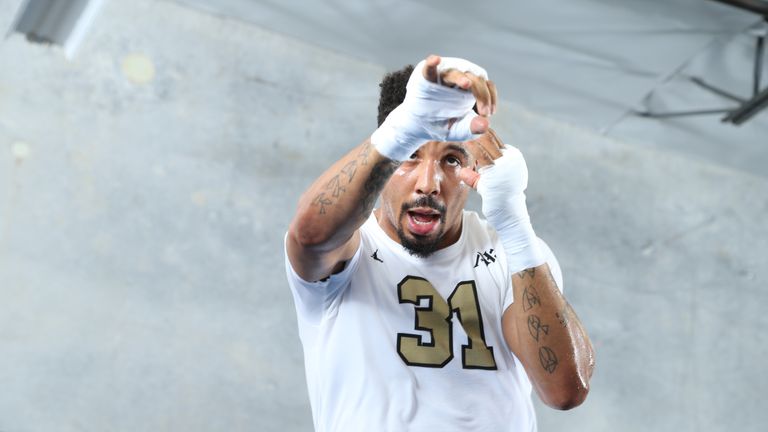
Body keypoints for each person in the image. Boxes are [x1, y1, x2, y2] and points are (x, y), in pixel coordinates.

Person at [284, 54, 595, 431]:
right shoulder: (350, 247)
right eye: (410, 156)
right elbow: (309, 238)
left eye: (450, 160)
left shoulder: (511, 251)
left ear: (474, 167)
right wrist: (403, 129)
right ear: (386, 155)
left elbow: (565, 390)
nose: (428, 183)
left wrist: (516, 226)